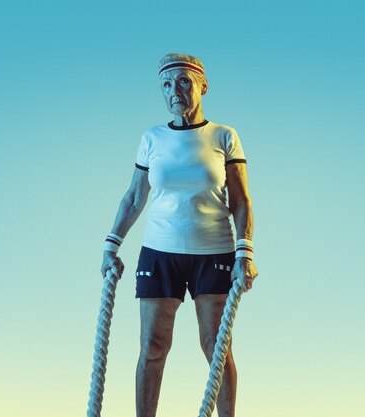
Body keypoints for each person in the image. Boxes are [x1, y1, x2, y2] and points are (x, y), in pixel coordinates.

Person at [100, 53, 258, 417]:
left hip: (214, 252)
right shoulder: (151, 137)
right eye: (167, 85)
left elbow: (241, 200)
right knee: (152, 347)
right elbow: (135, 196)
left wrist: (244, 253)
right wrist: (112, 243)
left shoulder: (223, 136)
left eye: (185, 81)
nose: (176, 91)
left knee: (216, 348)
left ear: (203, 86)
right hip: (159, 253)